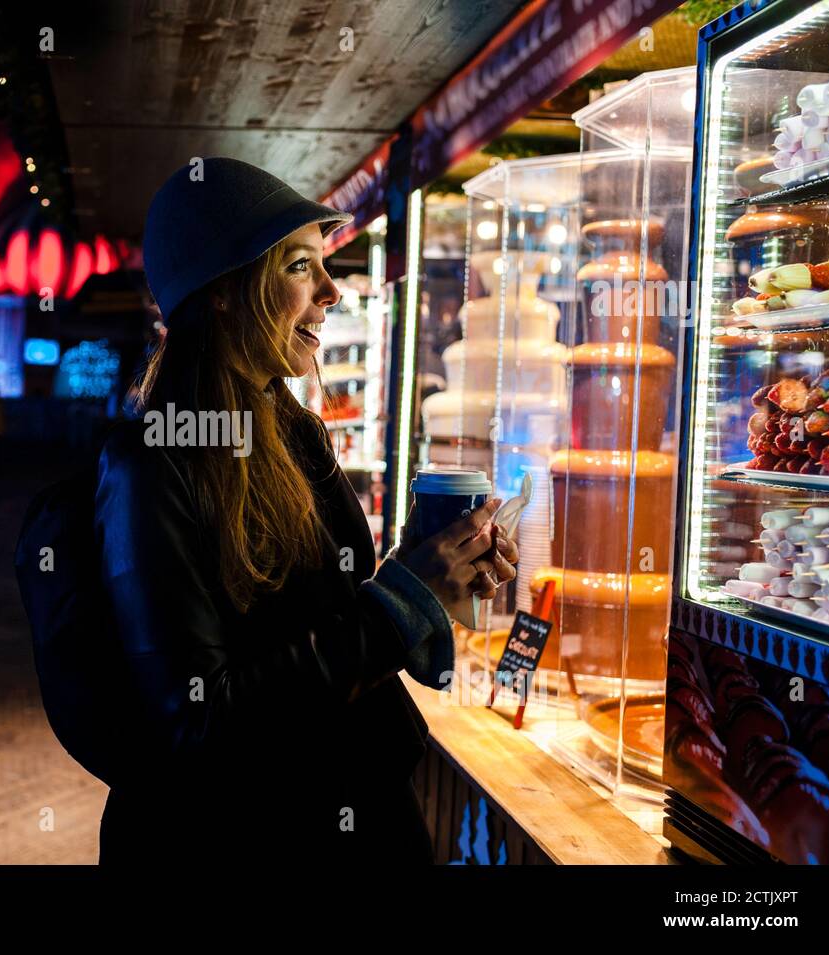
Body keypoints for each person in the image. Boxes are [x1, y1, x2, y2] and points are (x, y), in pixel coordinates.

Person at [86, 157, 519, 865]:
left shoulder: (294, 431)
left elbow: (318, 617)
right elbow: (200, 722)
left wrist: (433, 570)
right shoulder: (150, 464)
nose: (331, 291)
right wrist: (403, 600)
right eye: (298, 266)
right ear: (222, 292)